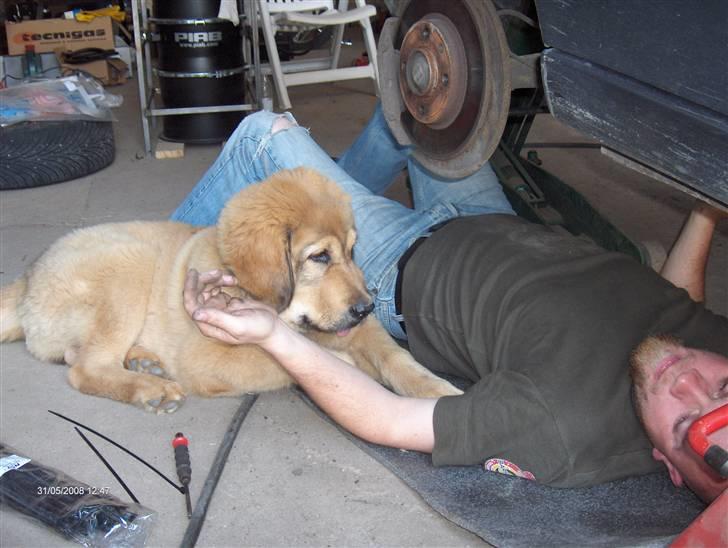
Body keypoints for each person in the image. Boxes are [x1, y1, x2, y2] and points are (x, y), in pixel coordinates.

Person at [174, 106, 728, 501]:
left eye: (683, 422)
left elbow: (389, 417)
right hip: (492, 218)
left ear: (669, 469)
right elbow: (683, 302)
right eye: (722, 388)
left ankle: (166, 263)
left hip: (403, 263)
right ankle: (324, 206)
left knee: (262, 133)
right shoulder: (711, 345)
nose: (687, 383)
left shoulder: (563, 430)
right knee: (424, 111)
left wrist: (273, 334)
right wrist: (708, 207)